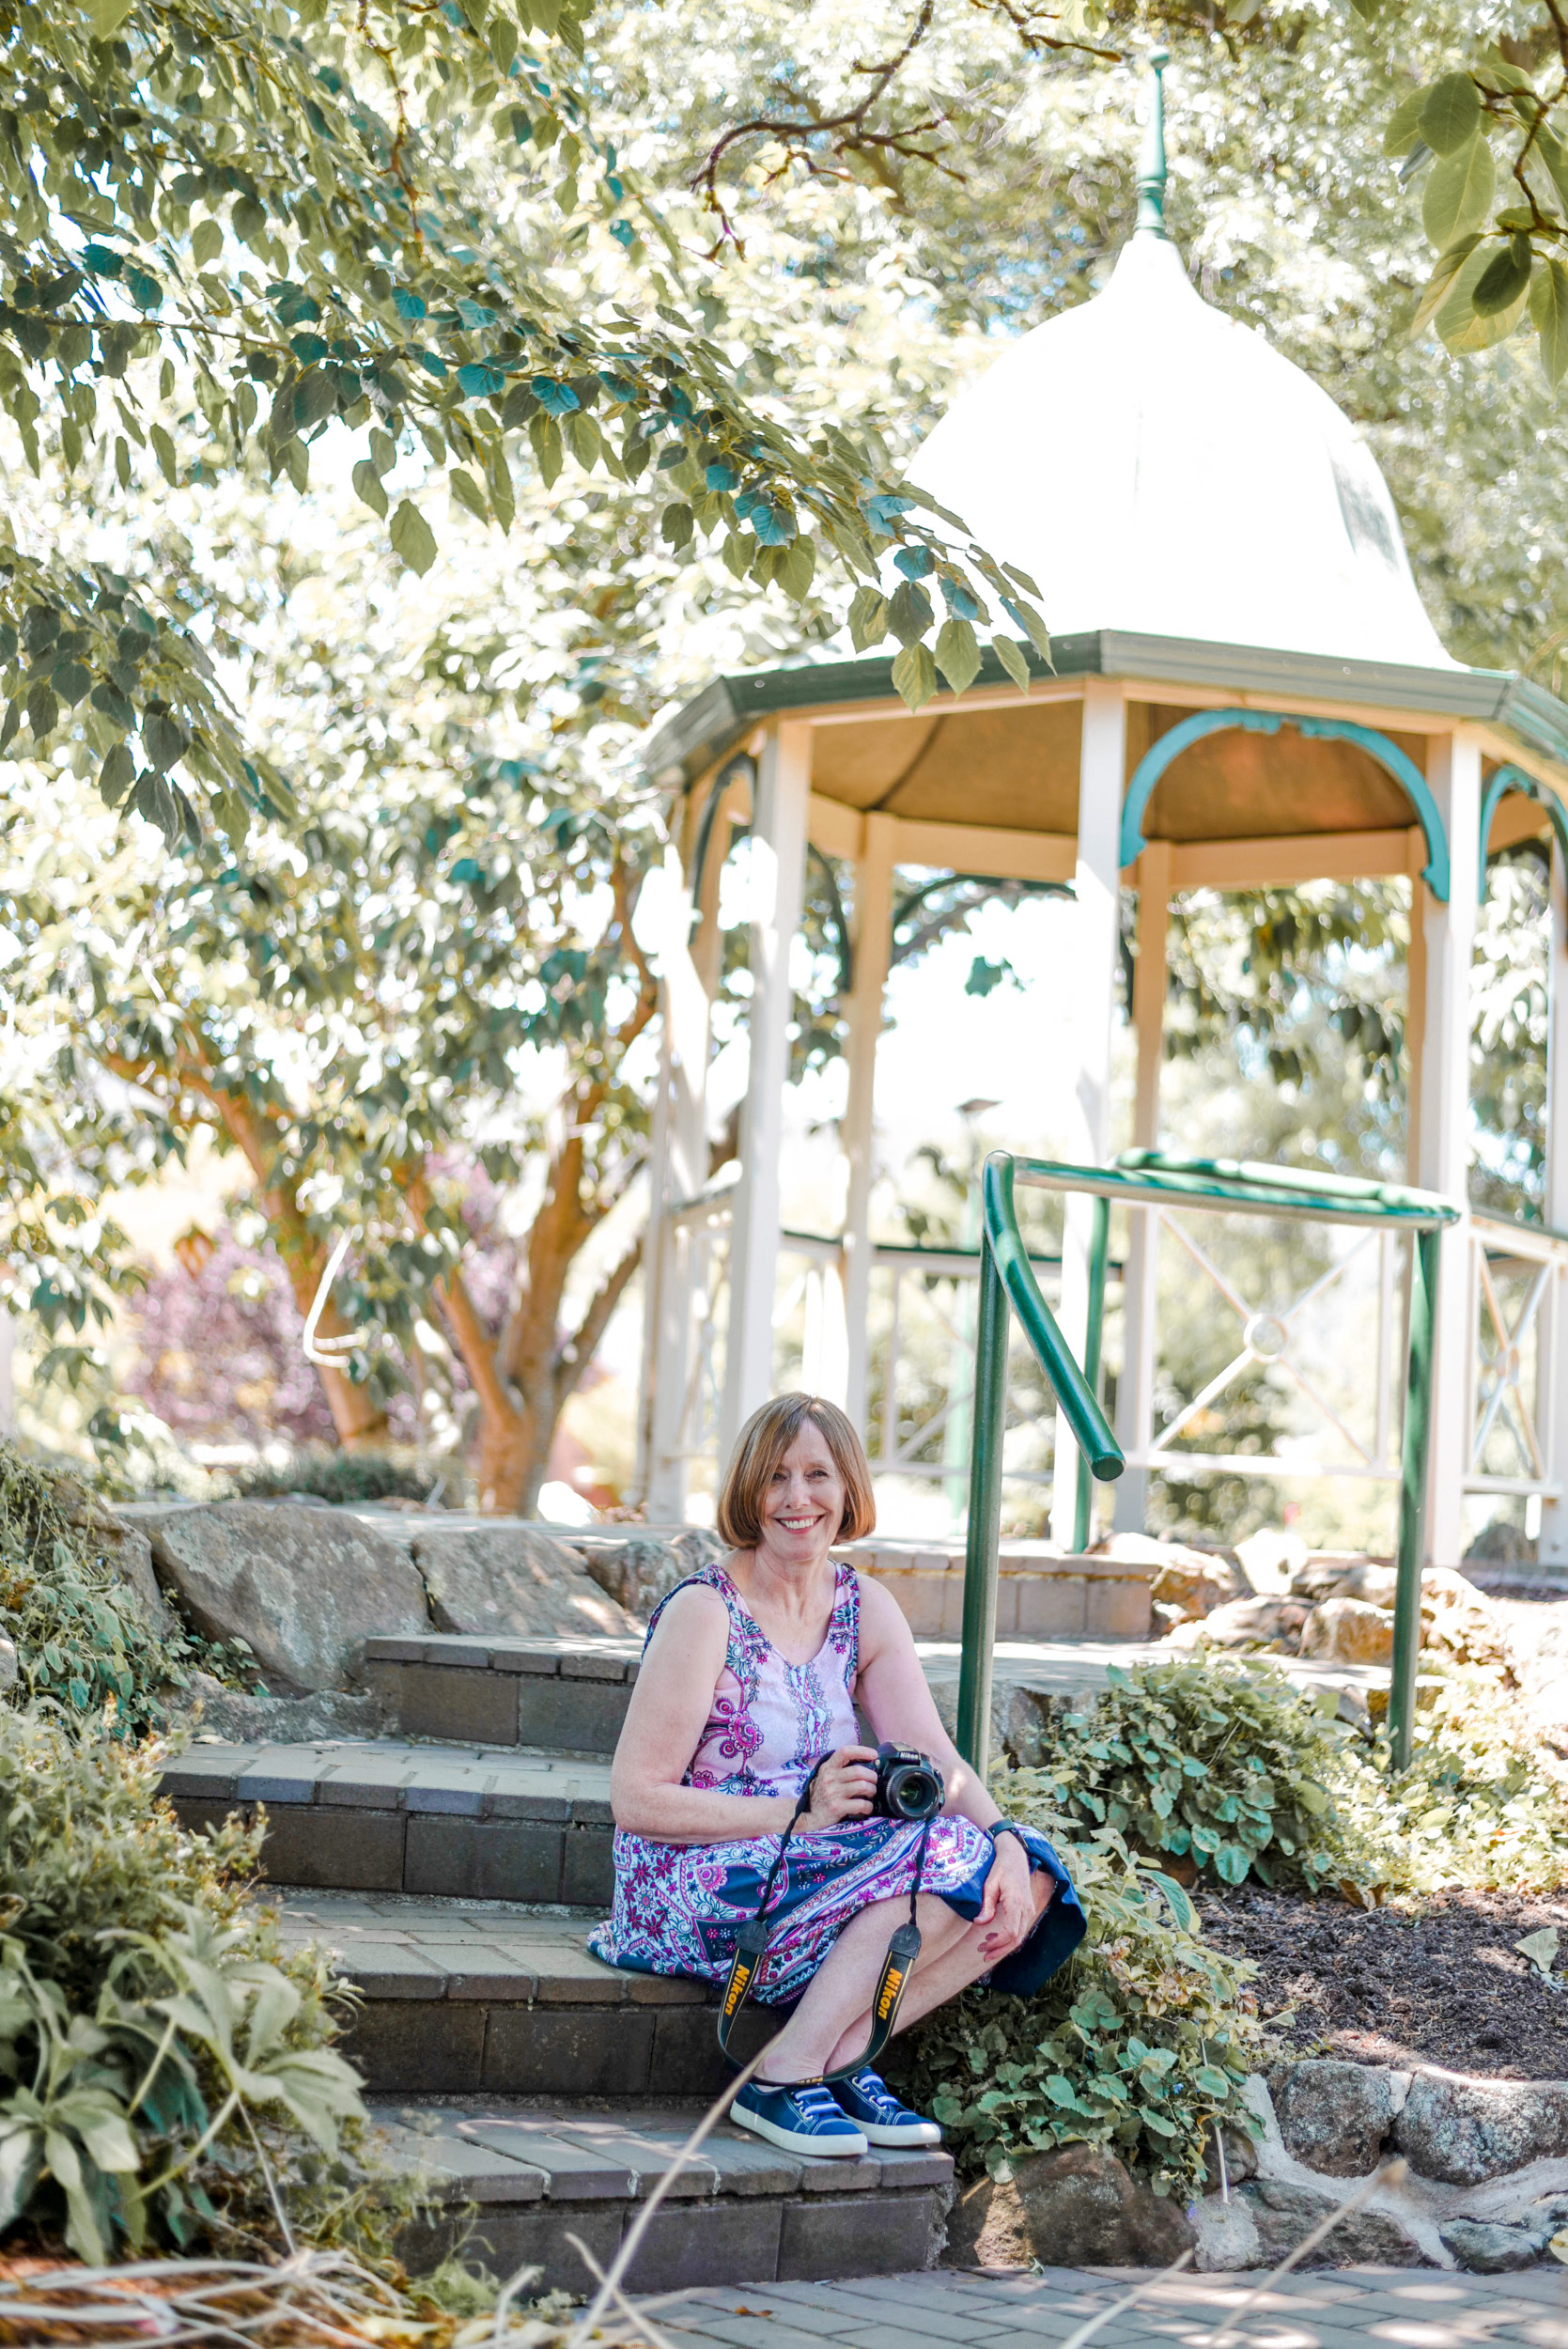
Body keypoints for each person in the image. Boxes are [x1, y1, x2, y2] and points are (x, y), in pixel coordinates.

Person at [589, 1392, 1085, 2158]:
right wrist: (802, 1814)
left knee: (1028, 1878)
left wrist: (1011, 1842)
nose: (797, 1498)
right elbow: (635, 1800)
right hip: (692, 1878)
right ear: (748, 1490)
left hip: (816, 1859)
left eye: (817, 1474)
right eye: (775, 1476)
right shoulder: (705, 1612)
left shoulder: (862, 1607)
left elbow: (938, 1761)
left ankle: (838, 2059)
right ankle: (779, 2076)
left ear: (847, 1487)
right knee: (945, 1857)